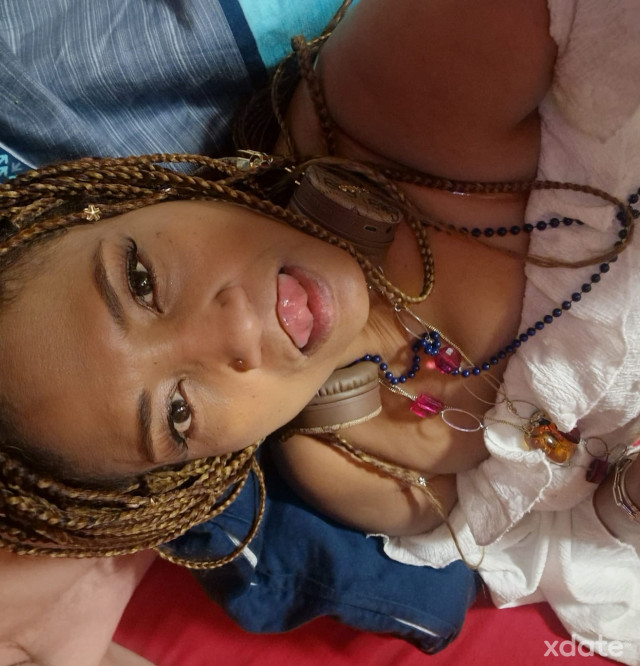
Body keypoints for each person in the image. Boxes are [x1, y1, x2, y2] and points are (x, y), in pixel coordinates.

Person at [0, 0, 639, 664]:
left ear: (135, 197)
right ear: (198, 471)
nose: (234, 333)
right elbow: (561, 527)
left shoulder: (400, 86)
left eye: (139, 282)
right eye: (178, 412)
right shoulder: (352, 468)